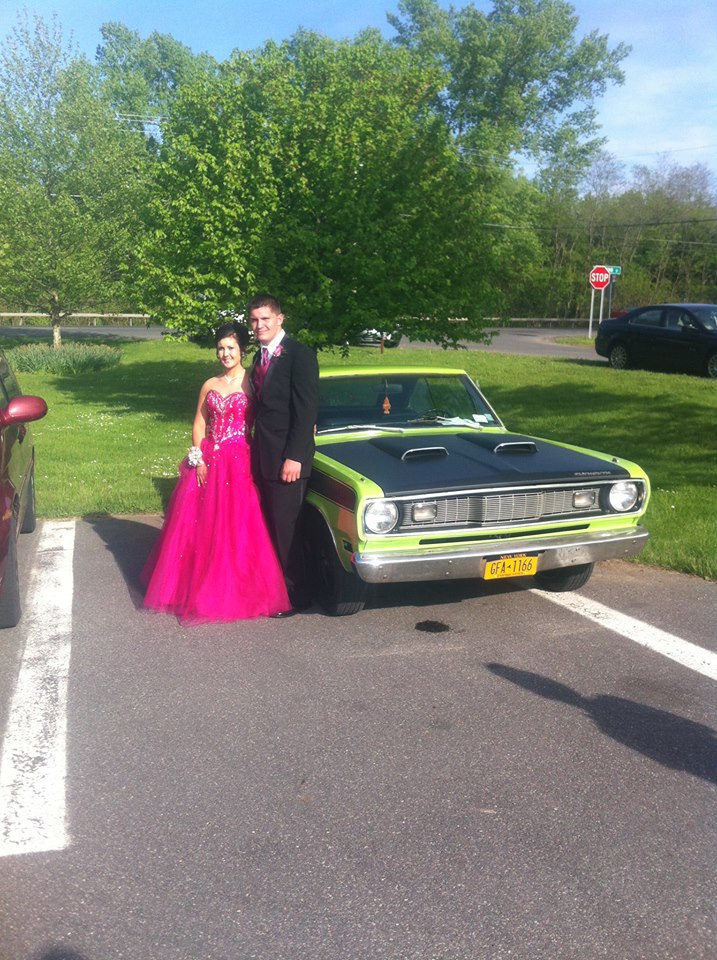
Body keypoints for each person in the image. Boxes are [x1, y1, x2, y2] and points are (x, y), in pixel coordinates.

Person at [141, 320, 290, 623]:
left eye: (230, 348)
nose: (225, 353)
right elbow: (199, 422)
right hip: (208, 460)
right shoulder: (209, 384)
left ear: (243, 350)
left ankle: (238, 589)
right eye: (220, 348)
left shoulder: (254, 383)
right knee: (199, 527)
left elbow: (271, 415)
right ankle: (195, 587)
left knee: (237, 526)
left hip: (240, 462)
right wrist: (199, 458)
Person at [248, 293, 320, 617]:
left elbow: (306, 412)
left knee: (287, 528)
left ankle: (296, 596)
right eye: (254, 320)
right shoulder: (257, 358)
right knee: (271, 525)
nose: (259, 325)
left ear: (280, 319)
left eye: (265, 318)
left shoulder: (299, 355)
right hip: (263, 456)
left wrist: (295, 456)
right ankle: (274, 588)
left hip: (288, 460)